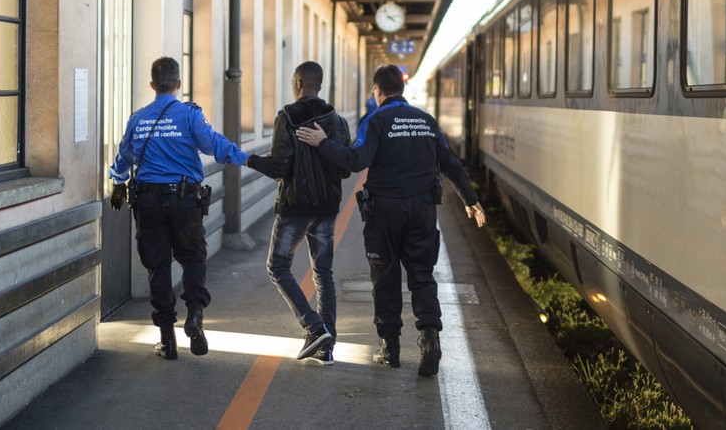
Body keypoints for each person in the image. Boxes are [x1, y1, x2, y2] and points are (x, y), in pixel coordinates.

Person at [295, 64, 486, 377]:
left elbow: (357, 160)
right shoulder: (426, 120)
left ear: (377, 90)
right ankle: (429, 341)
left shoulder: (377, 120)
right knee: (422, 276)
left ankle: (390, 350)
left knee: (385, 278)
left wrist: (323, 143)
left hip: (385, 212)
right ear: (402, 88)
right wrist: (471, 200)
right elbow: (450, 164)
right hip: (423, 211)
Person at [108, 56, 250, 360]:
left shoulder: (138, 118)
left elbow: (123, 159)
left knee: (157, 267)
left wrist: (118, 183)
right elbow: (215, 145)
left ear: (151, 85)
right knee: (193, 257)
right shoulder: (189, 115)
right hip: (184, 200)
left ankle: (166, 340)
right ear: (178, 84)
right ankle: (195, 314)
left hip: (147, 202)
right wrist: (247, 158)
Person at [246, 61, 351, 365]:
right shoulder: (338, 121)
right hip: (327, 208)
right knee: (323, 274)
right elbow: (345, 168)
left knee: (277, 266)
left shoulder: (288, 117)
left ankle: (313, 325)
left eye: (294, 81)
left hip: (294, 207)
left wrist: (252, 160)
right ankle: (326, 346)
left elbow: (280, 168)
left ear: (300, 83)